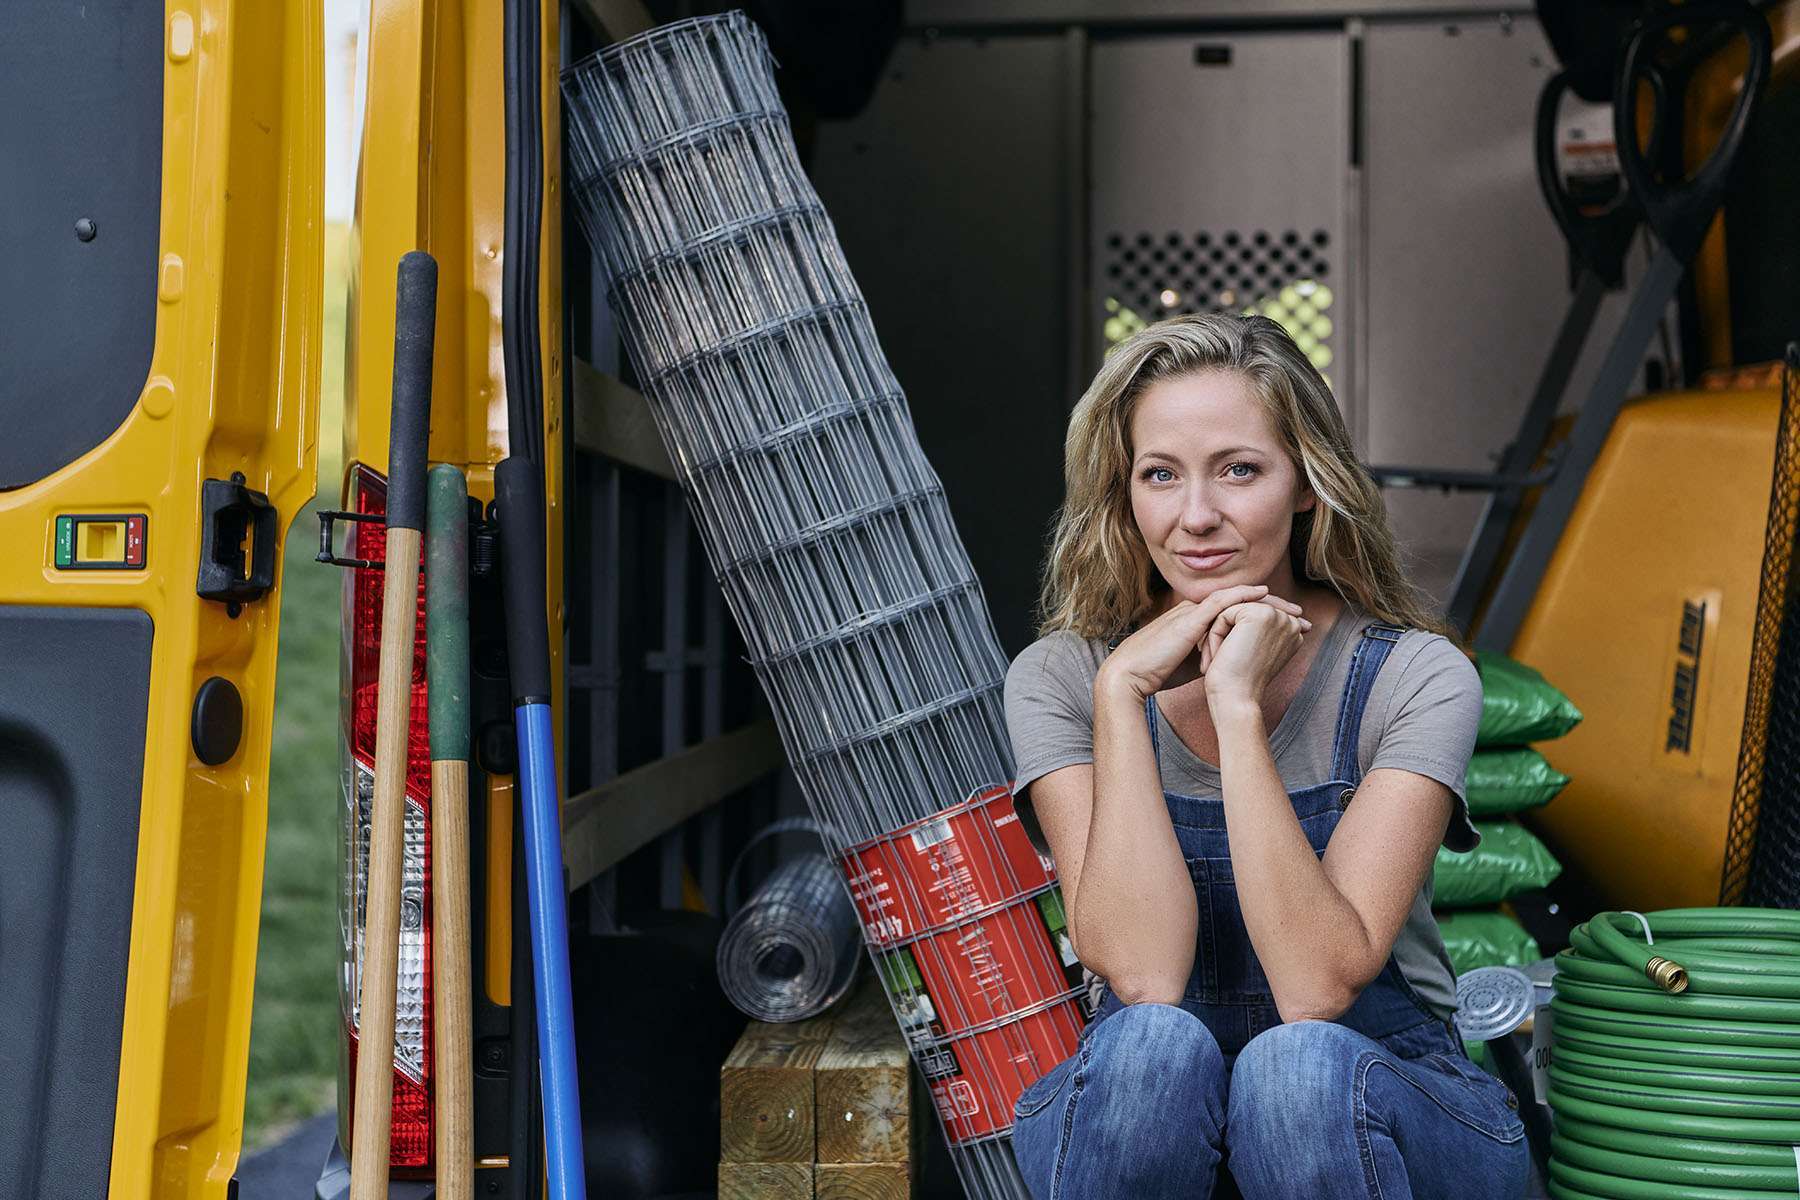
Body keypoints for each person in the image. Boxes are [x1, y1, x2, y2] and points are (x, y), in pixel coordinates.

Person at [1002, 312, 1530, 1199]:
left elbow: (1317, 986)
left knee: (1296, 1069)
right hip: (1156, 1123)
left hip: (1381, 1108)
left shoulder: (1415, 676)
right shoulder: (1066, 677)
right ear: (1123, 496)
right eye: (1160, 475)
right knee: (1146, 1048)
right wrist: (1121, 697)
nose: (1196, 517)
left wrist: (1238, 711)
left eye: (1239, 470)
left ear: (1307, 485)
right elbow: (1143, 972)